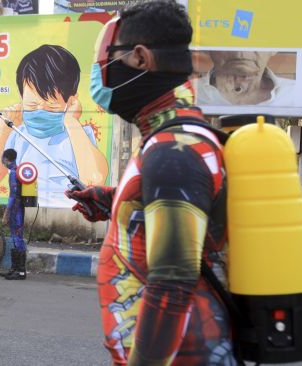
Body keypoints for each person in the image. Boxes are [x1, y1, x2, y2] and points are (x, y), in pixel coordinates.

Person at [67, 2, 234, 364]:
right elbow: (175, 214)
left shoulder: (175, 151)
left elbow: (172, 287)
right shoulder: (171, 138)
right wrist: (113, 201)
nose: (99, 75)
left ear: (140, 59)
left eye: (103, 63)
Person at [0, 44, 109, 208]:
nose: (40, 110)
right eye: (32, 104)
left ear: (71, 101)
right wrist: (3, 129)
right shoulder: (18, 135)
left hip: (69, 214)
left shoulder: (79, 135)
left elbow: (95, 180)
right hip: (26, 211)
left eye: (51, 106)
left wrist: (71, 121)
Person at [193, 51, 295, 106]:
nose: (241, 53)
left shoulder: (294, 92)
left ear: (274, 49)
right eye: (229, 41)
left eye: (257, 41)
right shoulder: (189, 93)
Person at [0, 149, 27, 280]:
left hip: (16, 211)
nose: (2, 161)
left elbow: (12, 196)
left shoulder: (14, 173)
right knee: (16, 238)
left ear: (5, 158)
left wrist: (6, 213)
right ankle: (14, 269)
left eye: (3, 158)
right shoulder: (18, 171)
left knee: (17, 238)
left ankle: (20, 271)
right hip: (18, 209)